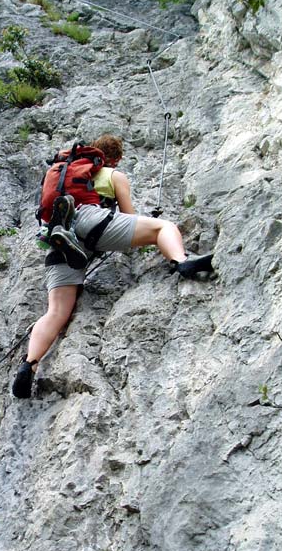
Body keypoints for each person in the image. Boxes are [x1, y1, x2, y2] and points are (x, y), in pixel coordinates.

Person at [12, 134, 213, 398]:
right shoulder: (112, 174)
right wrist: (143, 222)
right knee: (163, 228)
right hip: (92, 221)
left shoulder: (67, 174)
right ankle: (182, 261)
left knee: (57, 311)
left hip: (55, 238)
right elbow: (129, 216)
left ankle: (29, 364)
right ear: (115, 158)